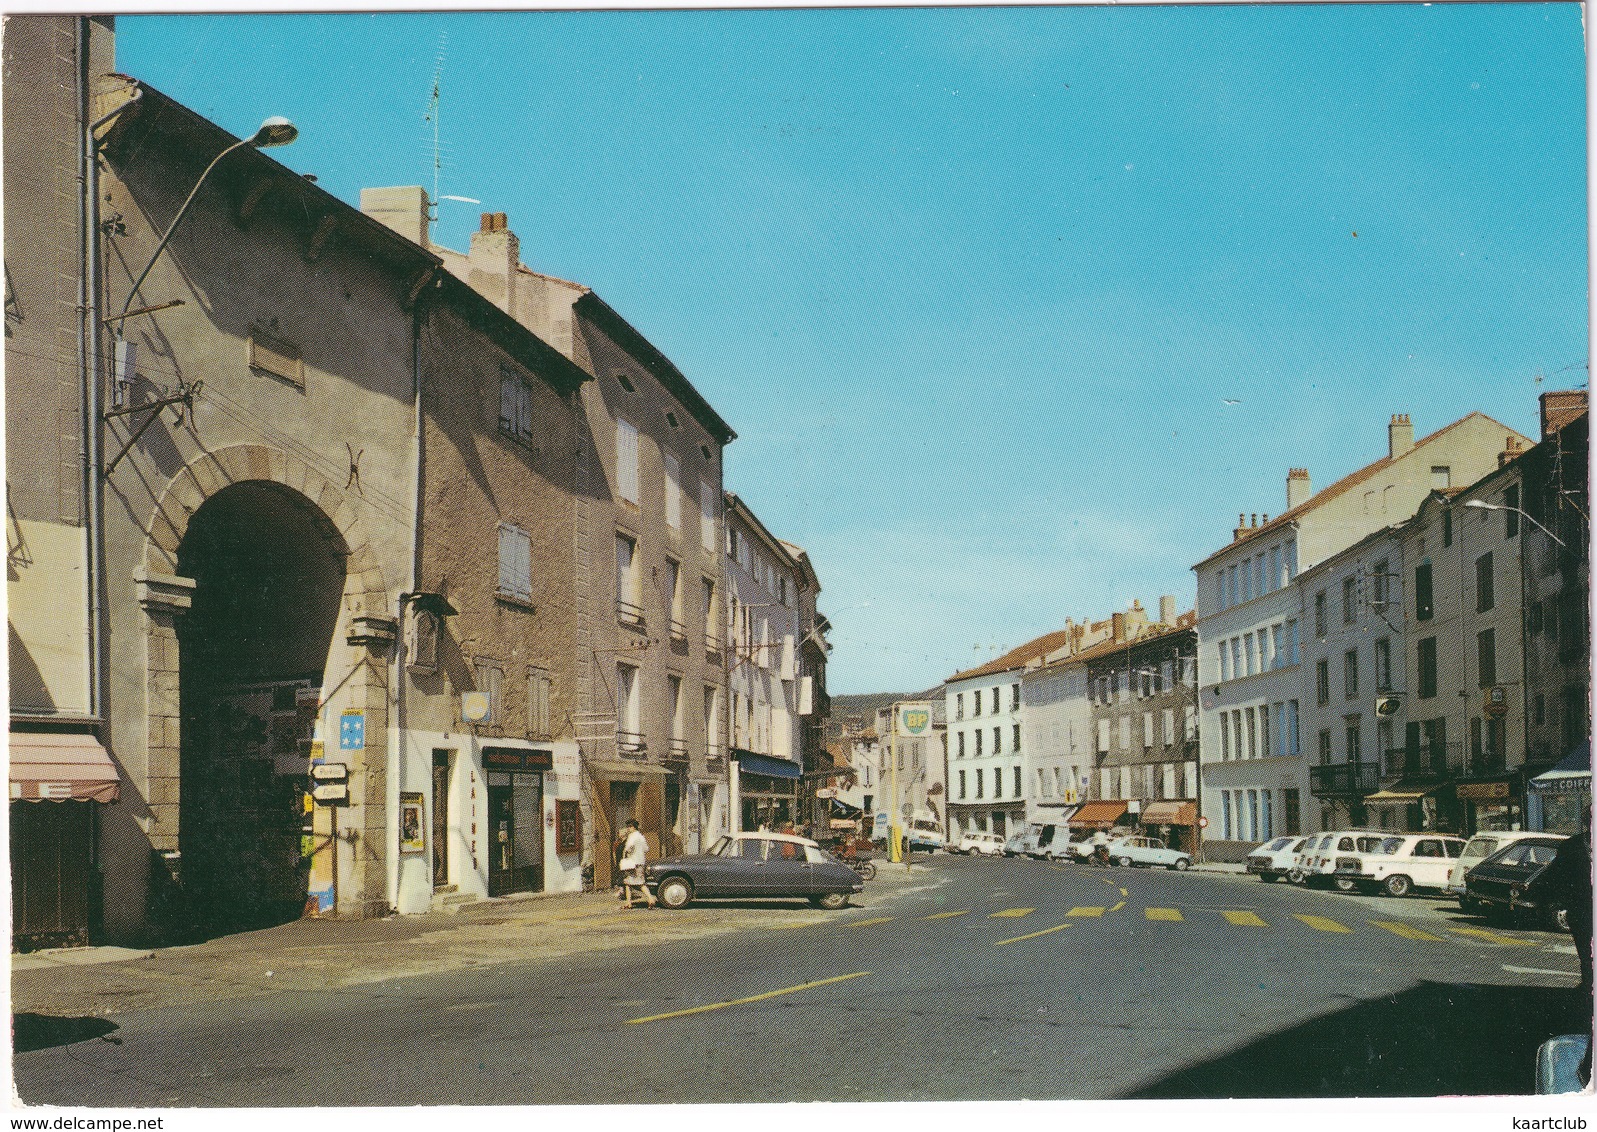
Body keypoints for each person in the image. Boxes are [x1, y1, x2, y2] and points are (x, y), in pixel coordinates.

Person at [1526, 823, 1592, 992]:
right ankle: (1589, 985)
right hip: (1582, 909)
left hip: (1581, 909)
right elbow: (1557, 876)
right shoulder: (1572, 846)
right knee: (1587, 953)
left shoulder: (1573, 845)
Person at [616, 819, 656, 909]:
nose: (628, 829)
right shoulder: (641, 836)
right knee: (637, 882)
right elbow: (646, 849)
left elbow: (628, 849)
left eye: (629, 827)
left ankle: (632, 902)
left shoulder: (632, 836)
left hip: (632, 863)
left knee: (629, 882)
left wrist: (627, 854)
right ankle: (632, 902)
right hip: (641, 862)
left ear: (632, 827)